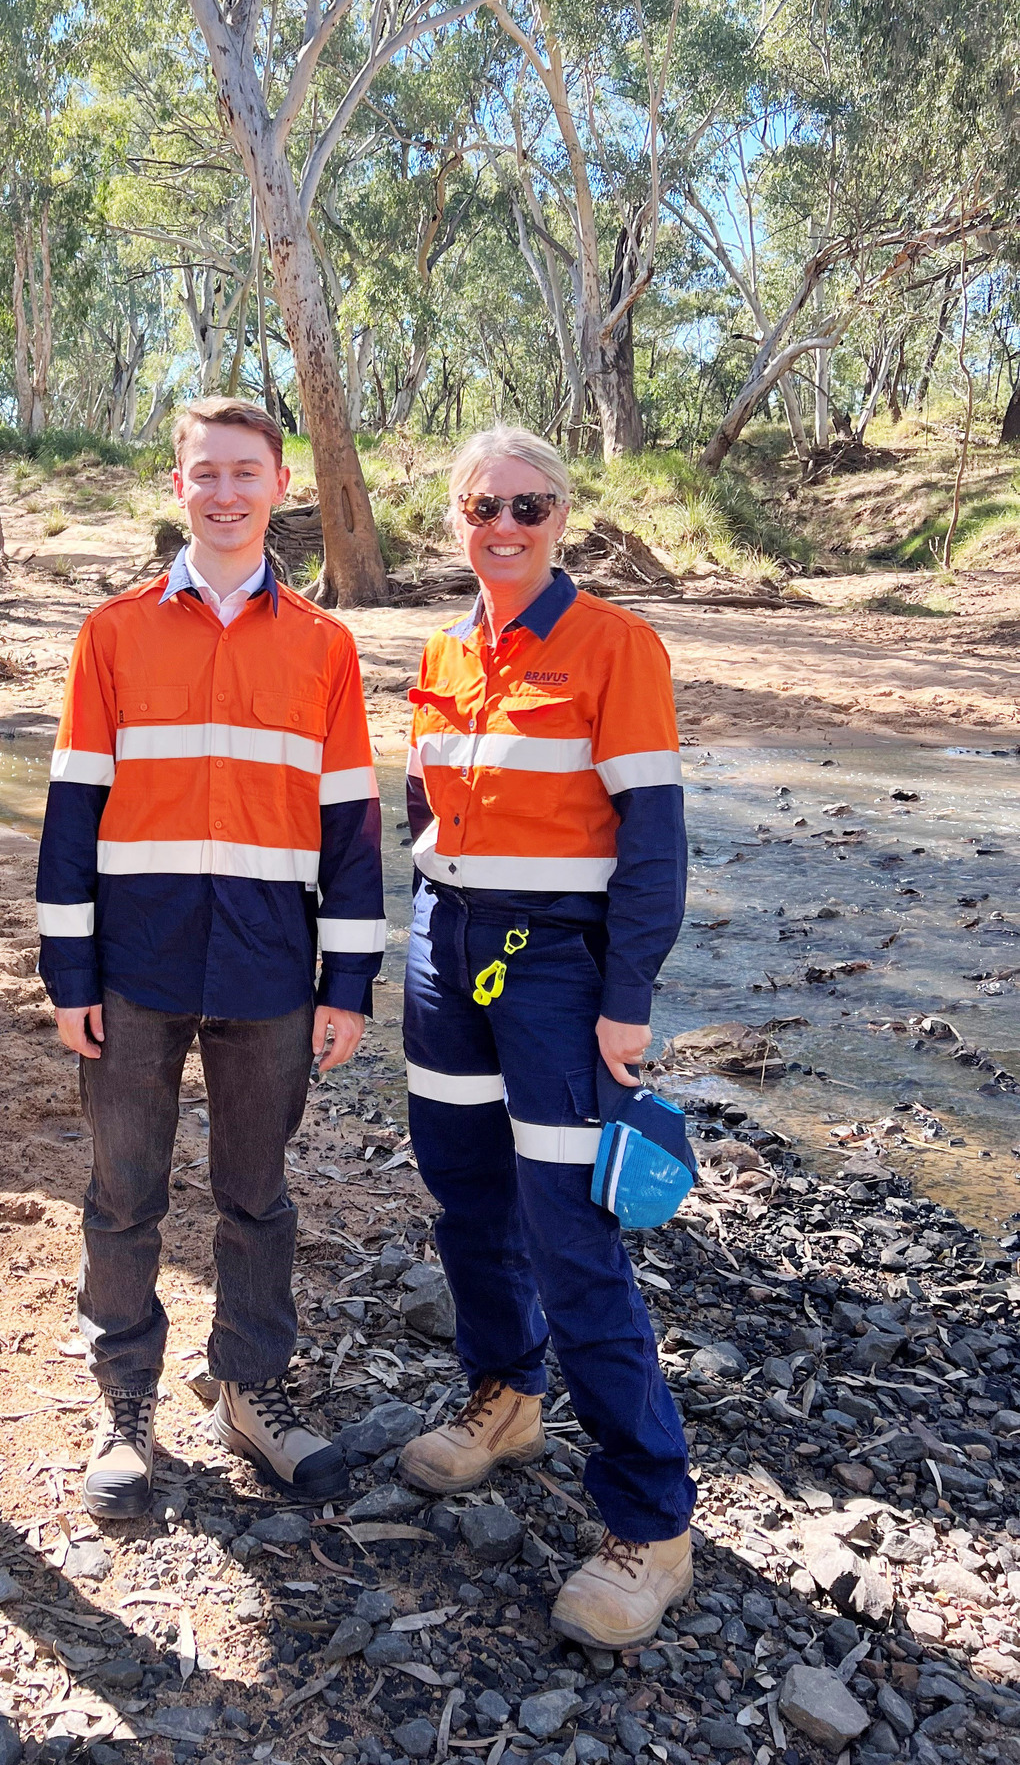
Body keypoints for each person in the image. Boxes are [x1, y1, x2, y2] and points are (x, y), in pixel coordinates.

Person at [37, 397, 385, 1518]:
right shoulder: (113, 632)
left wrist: (350, 986)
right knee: (121, 1195)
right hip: (135, 966)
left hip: (269, 967)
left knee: (258, 1197)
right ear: (176, 485)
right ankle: (124, 1405)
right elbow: (72, 813)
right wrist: (69, 974)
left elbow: (352, 827)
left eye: (246, 473)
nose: (226, 493)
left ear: (279, 486)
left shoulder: (325, 647)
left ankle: (250, 1389)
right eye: (206, 474)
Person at [394, 425, 694, 1649]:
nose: (505, 526)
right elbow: (427, 804)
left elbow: (656, 840)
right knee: (465, 1194)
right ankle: (507, 1393)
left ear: (561, 516)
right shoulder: (443, 647)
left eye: (529, 505)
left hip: (557, 971)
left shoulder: (617, 646)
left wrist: (627, 997)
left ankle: (651, 1521)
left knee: (574, 1234)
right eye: (483, 506)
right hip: (442, 949)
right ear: (456, 520)